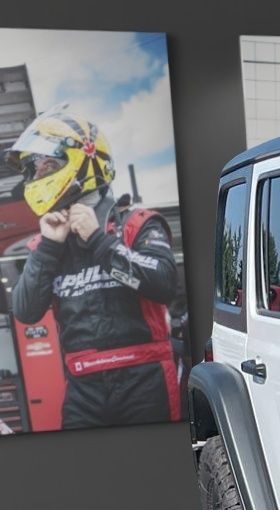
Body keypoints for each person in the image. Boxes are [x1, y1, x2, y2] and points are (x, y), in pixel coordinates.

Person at [4, 106, 179, 430]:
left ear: (85, 162)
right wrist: (48, 247)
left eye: (48, 165)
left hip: (144, 379)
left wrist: (99, 241)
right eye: (34, 169)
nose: (39, 176)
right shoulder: (48, 244)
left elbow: (165, 282)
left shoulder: (136, 224)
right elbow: (25, 311)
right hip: (83, 387)